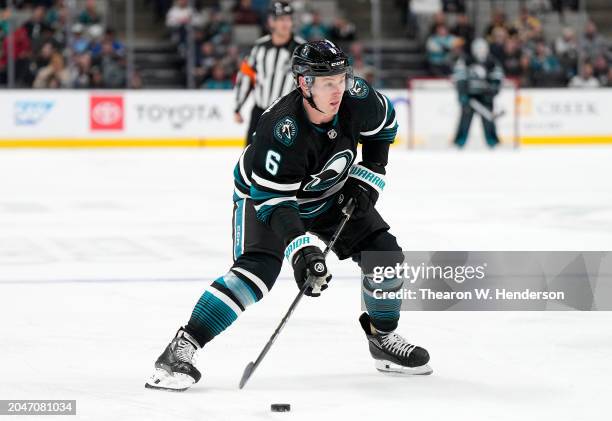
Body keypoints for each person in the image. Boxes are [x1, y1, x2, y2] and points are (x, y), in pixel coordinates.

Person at [145, 39, 432, 392]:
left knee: (385, 255)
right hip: (266, 198)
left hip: (329, 192)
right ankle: (181, 348)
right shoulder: (280, 130)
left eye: (341, 79)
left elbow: (384, 127)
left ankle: (383, 339)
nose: (338, 89)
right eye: (327, 83)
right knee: (257, 272)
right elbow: (274, 203)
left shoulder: (356, 95)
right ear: (303, 83)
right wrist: (303, 252)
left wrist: (370, 174)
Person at [234, 1, 304, 146]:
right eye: (280, 19)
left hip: (287, 114)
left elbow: (308, 85)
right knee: (250, 157)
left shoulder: (301, 49)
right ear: (271, 22)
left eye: (288, 19)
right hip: (260, 112)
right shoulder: (259, 47)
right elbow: (246, 77)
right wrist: (238, 106)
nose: (285, 23)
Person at [452, 38, 504, 148]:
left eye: (483, 48)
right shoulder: (466, 60)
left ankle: (493, 142)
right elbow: (460, 76)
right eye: (478, 48)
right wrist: (462, 93)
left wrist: (494, 89)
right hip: (469, 95)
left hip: (485, 96)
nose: (481, 51)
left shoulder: (492, 61)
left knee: (488, 120)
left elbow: (498, 76)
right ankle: (459, 142)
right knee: (465, 120)